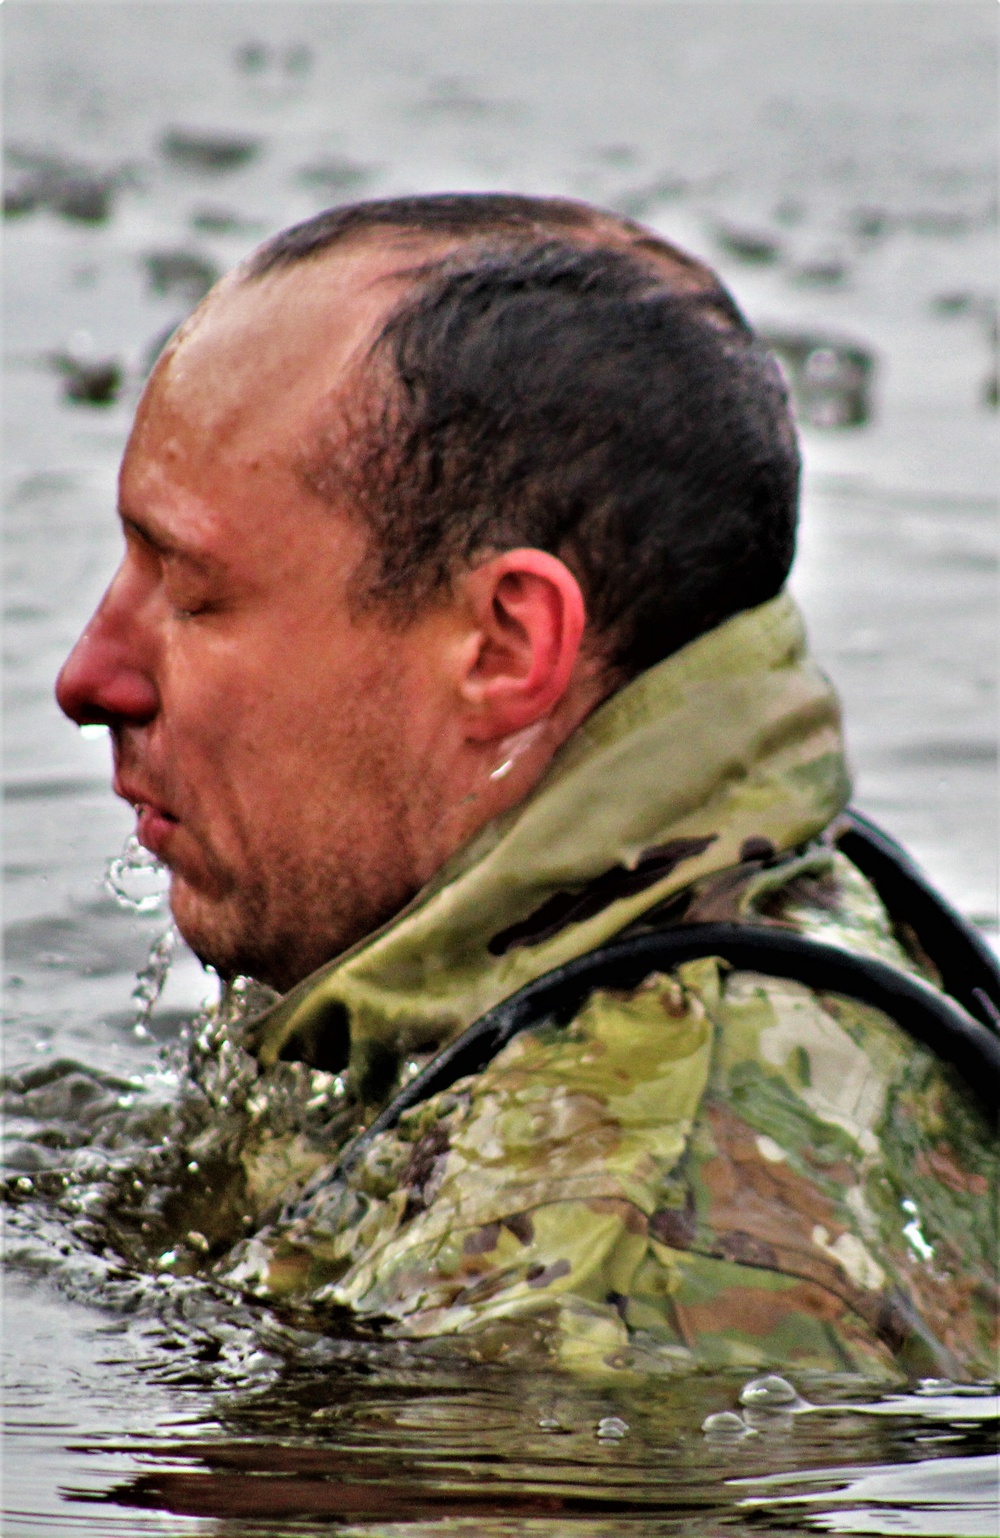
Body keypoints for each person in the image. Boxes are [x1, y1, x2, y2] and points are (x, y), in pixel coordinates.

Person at [56, 194, 998, 1378]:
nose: (89, 676)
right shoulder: (758, 873)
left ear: (504, 647)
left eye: (194, 592)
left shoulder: (605, 1293)